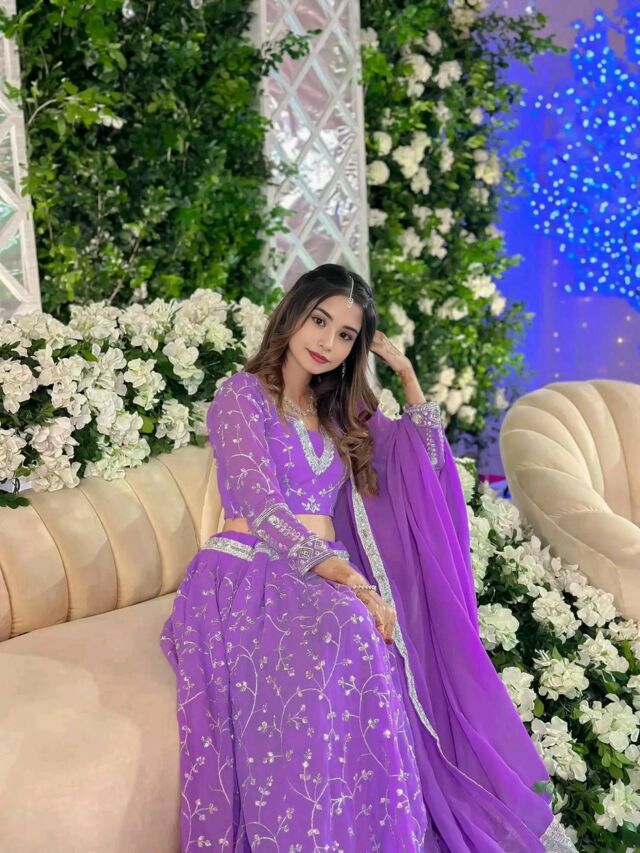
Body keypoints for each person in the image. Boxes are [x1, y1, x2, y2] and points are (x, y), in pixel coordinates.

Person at [160, 263, 576, 852]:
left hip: (319, 574)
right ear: (292, 313)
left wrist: (406, 375)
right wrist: (350, 578)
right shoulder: (241, 396)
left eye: (345, 335)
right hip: (249, 567)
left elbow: (422, 466)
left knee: (372, 637)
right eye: (319, 320)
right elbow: (260, 504)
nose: (327, 342)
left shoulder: (334, 413)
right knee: (350, 626)